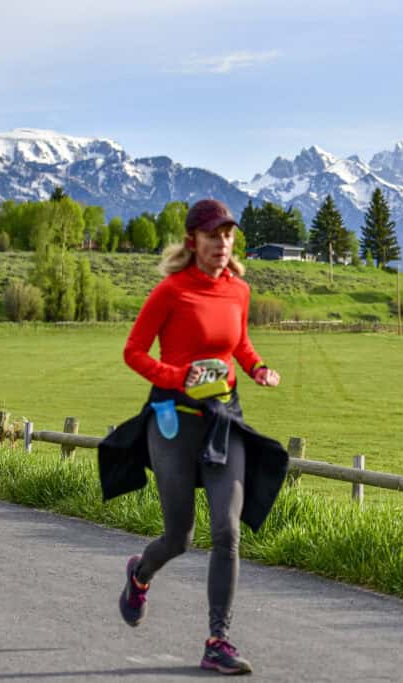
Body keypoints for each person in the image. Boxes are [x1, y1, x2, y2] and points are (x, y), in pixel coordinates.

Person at [110, 198, 288, 676]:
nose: (222, 244)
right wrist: (176, 376)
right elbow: (133, 351)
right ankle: (140, 574)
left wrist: (257, 368)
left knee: (227, 532)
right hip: (173, 420)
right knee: (180, 536)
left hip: (223, 420)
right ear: (193, 241)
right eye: (213, 236)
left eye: (228, 235)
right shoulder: (171, 291)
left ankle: (218, 640)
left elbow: (240, 344)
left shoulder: (239, 291)